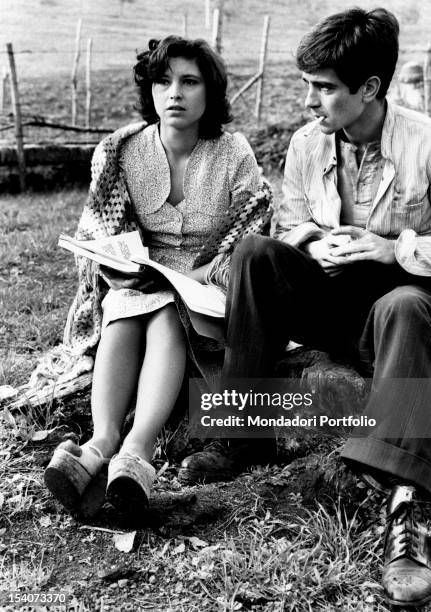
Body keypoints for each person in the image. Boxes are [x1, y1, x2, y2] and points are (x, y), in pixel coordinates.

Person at [212, 8, 431, 608]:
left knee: (406, 303)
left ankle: (407, 514)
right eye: (308, 83)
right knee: (256, 253)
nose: (310, 99)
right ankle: (243, 433)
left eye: (325, 88)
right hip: (333, 301)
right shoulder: (307, 144)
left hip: (401, 314)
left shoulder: (428, 143)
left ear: (369, 89)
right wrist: (315, 239)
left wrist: (396, 247)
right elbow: (291, 220)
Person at [43, 36, 272, 517]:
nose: (174, 93)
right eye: (163, 81)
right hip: (140, 282)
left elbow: (250, 235)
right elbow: (103, 232)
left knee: (166, 310)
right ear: (149, 90)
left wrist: (191, 276)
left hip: (206, 287)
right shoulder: (122, 152)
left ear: (210, 92)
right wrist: (117, 268)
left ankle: (137, 453)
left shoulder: (233, 153)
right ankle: (98, 446)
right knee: (126, 307)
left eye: (189, 82)